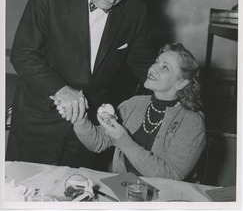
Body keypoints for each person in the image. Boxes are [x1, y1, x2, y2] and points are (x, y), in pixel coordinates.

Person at [6, 0, 156, 169]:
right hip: (37, 120)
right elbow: (23, 53)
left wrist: (183, 102)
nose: (112, 0)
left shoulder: (135, 11)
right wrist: (61, 90)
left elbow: (146, 67)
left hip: (88, 129)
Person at [73, 43, 206, 180]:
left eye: (164, 67)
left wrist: (122, 140)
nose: (153, 68)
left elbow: (171, 176)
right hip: (123, 188)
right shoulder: (134, 104)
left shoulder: (192, 122)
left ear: (181, 83)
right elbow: (97, 142)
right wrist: (79, 117)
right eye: (156, 62)